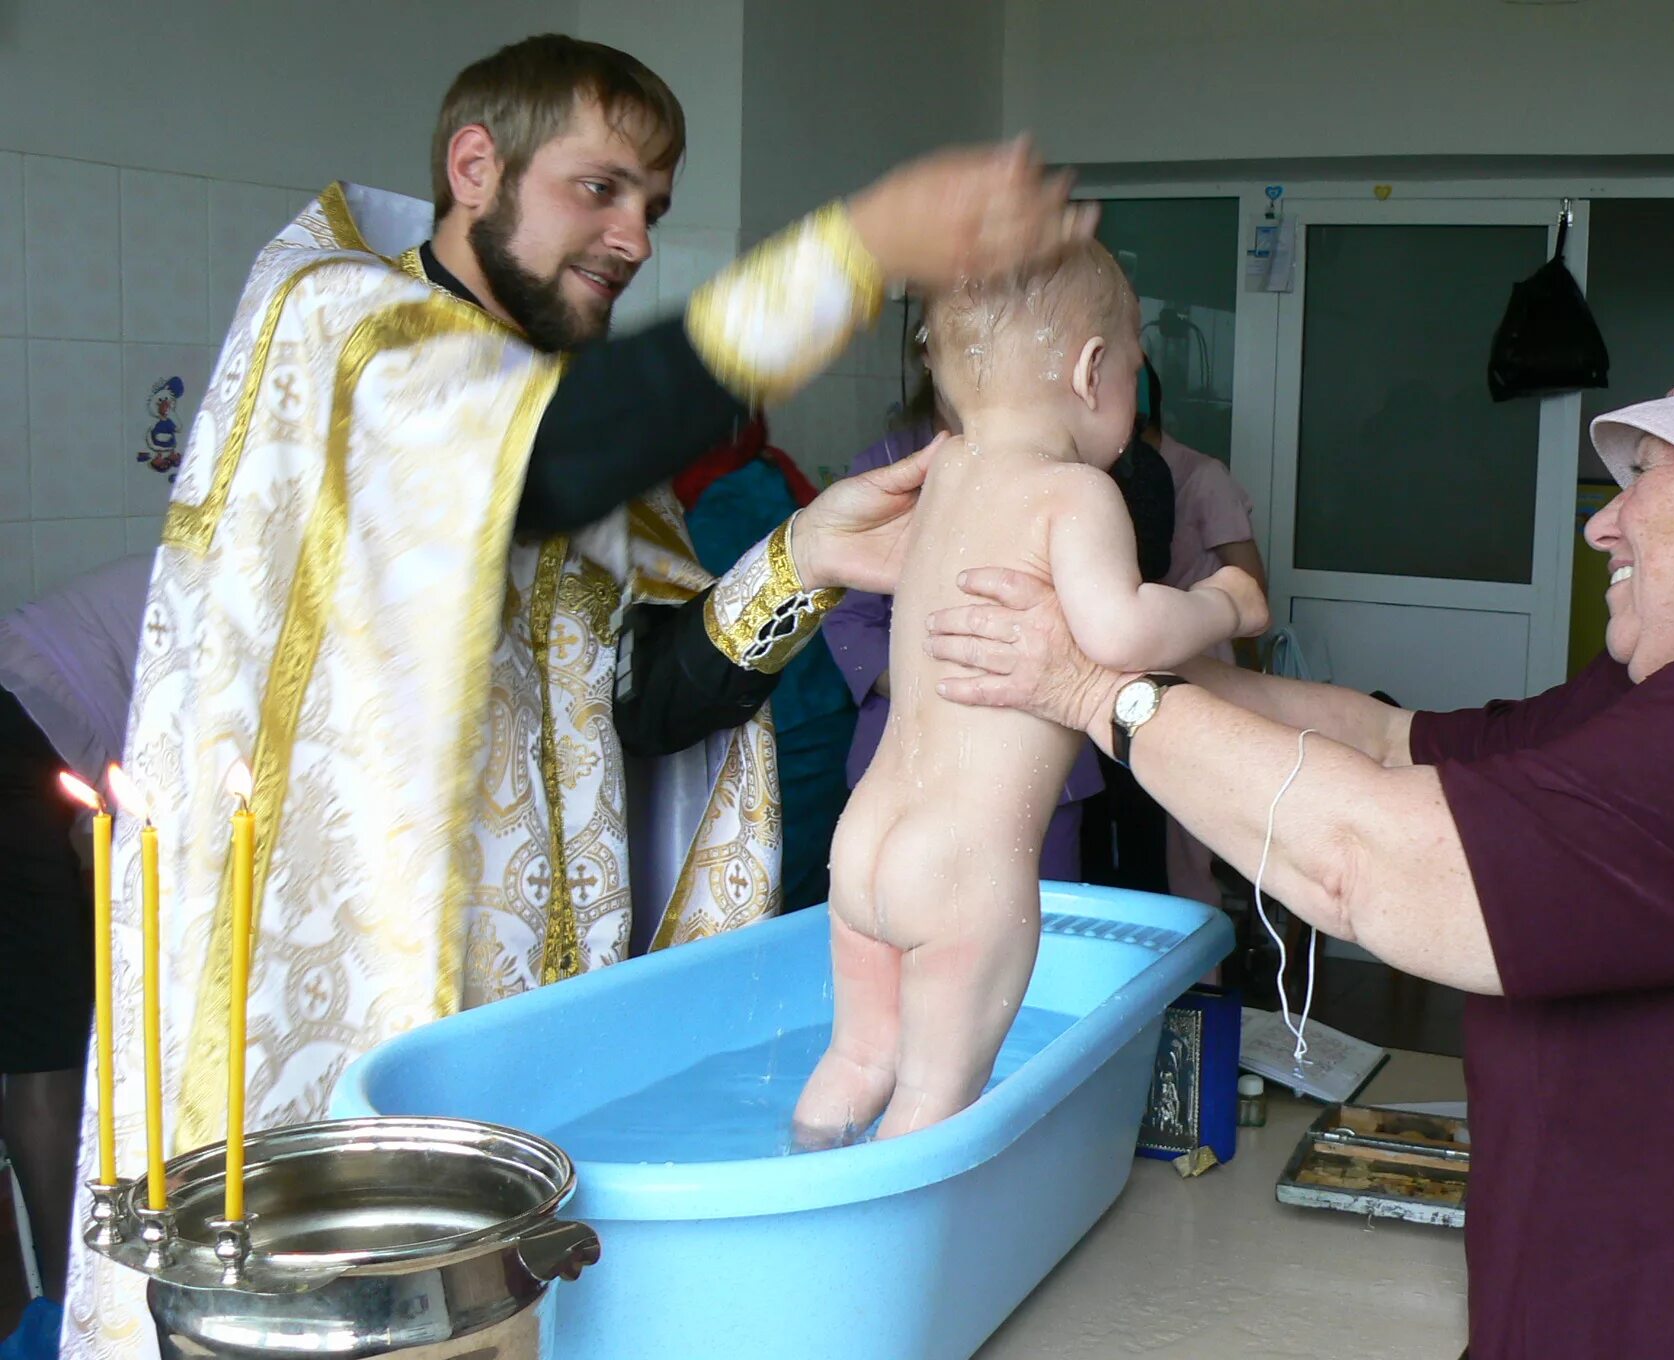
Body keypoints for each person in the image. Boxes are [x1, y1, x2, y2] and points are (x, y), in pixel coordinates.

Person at [61, 34, 1094, 1358]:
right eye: (598, 190)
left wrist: (807, 555)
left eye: (653, 209)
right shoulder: (338, 321)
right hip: (349, 1000)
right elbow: (555, 460)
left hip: (526, 1018)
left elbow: (644, 710)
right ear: (475, 166)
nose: (632, 236)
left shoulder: (528, 385)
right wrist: (861, 247)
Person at [926, 328, 1674, 1357]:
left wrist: (1096, 693)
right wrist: (1126, 643)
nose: (1598, 521)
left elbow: (1363, 863)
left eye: (1640, 481)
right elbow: (1379, 738)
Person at [792, 243, 1264, 1147]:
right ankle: (893, 1274)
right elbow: (1119, 634)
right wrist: (1220, 602)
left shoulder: (945, 477)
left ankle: (793, 1194)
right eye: (1133, 367)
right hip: (966, 867)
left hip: (864, 843)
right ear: (1094, 372)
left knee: (857, 1064)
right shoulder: (1078, 494)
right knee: (934, 1106)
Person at [820, 348, 1178, 882]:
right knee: (904, 932)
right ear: (927, 353)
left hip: (1042, 765)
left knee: (1047, 941)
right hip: (906, 757)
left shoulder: (1071, 471)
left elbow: (1106, 617)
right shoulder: (890, 462)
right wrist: (948, 688)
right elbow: (849, 620)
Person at [0, 555, 151, 1352]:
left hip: (25, 726)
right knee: (47, 1060)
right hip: (22, 738)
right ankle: (71, 1320)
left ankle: (48, 1318)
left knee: (38, 1052)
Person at [673, 413, 855, 914]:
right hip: (812, 715)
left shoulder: (723, 499)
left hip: (791, 725)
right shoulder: (766, 473)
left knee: (784, 895)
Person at [1136, 357, 1265, 907]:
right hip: (1138, 669)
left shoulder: (1201, 477)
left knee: (1189, 840)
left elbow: (1252, 583)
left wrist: (1256, 685)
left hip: (1200, 666)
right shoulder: (1106, 474)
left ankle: (1202, 985)